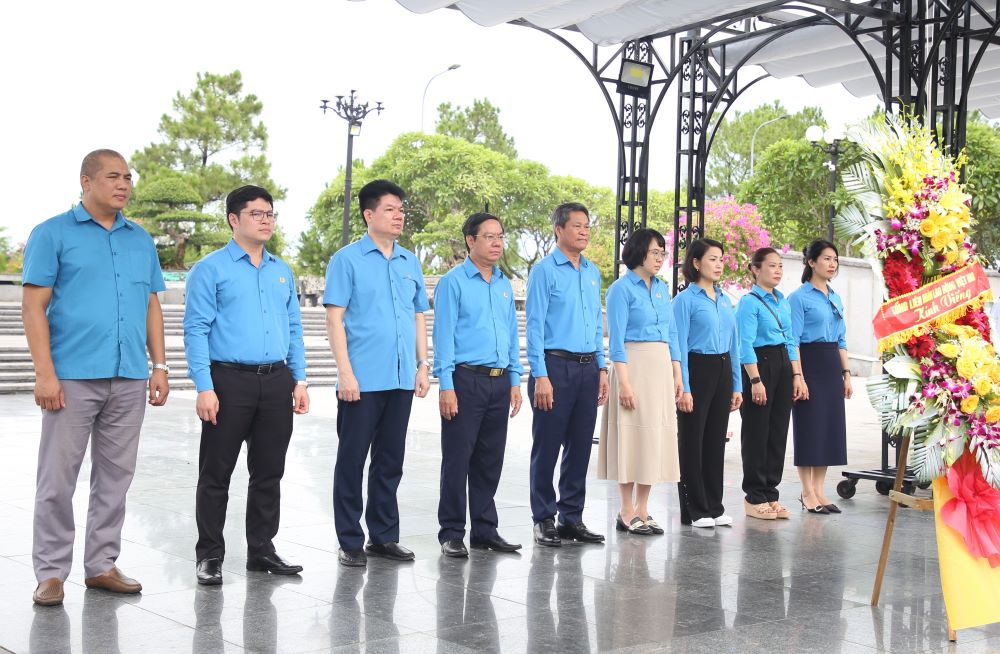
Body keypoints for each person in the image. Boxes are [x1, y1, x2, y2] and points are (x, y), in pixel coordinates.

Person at [22, 149, 169, 606]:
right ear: (86, 181)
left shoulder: (139, 239)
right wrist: (45, 374)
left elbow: (151, 304)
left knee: (116, 477)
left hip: (128, 376)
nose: (124, 184)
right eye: (113, 176)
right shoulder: (52, 234)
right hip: (71, 378)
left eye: (128, 177)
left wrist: (159, 365)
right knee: (57, 479)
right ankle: (50, 572)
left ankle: (102, 564)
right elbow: (32, 306)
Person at [184, 185, 309, 585]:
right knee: (216, 473)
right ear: (234, 220)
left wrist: (300, 378)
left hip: (276, 381)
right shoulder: (210, 269)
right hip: (228, 381)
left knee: (269, 471)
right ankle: (210, 555)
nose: (266, 220)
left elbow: (294, 328)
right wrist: (204, 386)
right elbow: (196, 329)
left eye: (270, 214)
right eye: (257, 214)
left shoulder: (281, 270)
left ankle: (262, 550)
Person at [324, 179, 430, 567]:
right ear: (369, 215)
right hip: (361, 381)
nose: (399, 214)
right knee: (352, 461)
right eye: (390, 209)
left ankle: (383, 536)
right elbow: (334, 320)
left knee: (390, 460)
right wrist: (346, 374)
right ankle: (350, 539)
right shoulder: (346, 260)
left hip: (402, 378)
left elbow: (418, 314)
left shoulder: (409, 262)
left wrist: (423, 364)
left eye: (401, 209)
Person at [433, 213, 524, 558]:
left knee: (490, 459)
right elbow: (443, 336)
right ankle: (452, 532)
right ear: (471, 241)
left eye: (501, 236)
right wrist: (446, 385)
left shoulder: (503, 283)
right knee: (458, 458)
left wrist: (515, 379)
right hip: (465, 379)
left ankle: (485, 529)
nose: (497, 243)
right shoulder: (453, 283)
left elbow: (513, 335)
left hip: (499, 382)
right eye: (489, 237)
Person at [526, 202, 609, 547]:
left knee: (580, 447)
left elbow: (594, 325)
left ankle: (571, 517)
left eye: (587, 226)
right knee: (547, 446)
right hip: (554, 366)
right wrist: (540, 374)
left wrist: (602, 367)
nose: (584, 231)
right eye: (577, 226)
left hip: (588, 368)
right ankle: (543, 517)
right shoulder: (544, 271)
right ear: (559, 230)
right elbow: (534, 325)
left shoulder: (591, 272)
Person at [597, 228, 683, 536]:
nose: (660, 258)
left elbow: (672, 335)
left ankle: (644, 508)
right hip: (633, 365)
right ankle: (625, 509)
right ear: (638, 252)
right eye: (654, 252)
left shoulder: (662, 289)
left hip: (660, 366)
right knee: (632, 438)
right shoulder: (621, 289)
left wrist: (677, 374)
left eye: (663, 253)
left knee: (655, 438)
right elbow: (616, 340)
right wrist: (625, 382)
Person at [673, 238, 742, 528]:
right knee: (692, 441)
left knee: (716, 441)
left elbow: (734, 344)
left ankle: (714, 506)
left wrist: (737, 385)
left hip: (723, 367)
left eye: (721, 259)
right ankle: (695, 509)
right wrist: (684, 388)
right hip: (697, 368)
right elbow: (677, 345)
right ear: (697, 263)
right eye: (712, 259)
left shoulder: (726, 300)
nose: (718, 264)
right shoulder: (684, 301)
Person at [736, 247, 807, 520]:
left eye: (780, 266)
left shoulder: (783, 301)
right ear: (755, 269)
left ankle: (770, 493)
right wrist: (755, 379)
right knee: (756, 432)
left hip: (783, 364)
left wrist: (797, 375)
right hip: (759, 364)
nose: (778, 270)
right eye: (772, 266)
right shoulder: (749, 302)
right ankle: (754, 496)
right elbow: (744, 343)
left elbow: (791, 341)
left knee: (778, 432)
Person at [789, 239, 852, 514]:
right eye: (826, 259)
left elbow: (841, 339)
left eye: (834, 260)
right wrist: (798, 376)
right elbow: (793, 341)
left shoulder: (835, 297)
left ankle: (820, 490)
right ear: (811, 262)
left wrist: (846, 374)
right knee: (809, 429)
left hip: (830, 366)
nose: (832, 264)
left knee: (828, 429)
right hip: (809, 364)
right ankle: (806, 492)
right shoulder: (799, 298)